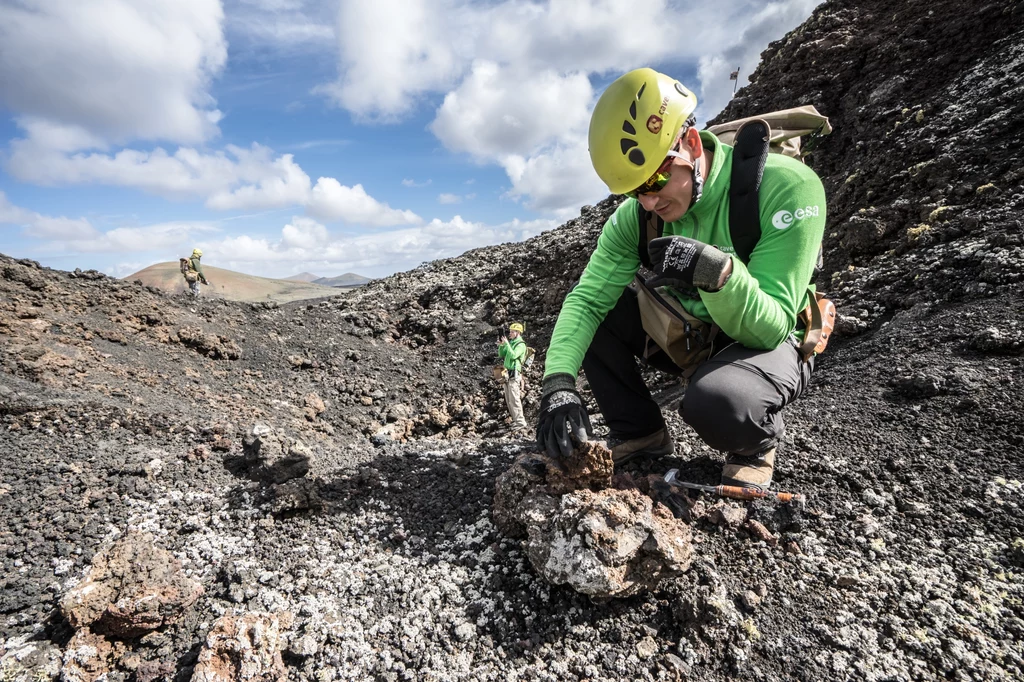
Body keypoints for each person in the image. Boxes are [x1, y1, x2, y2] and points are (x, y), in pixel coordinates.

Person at [535, 68, 826, 491]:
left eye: (656, 179)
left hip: (766, 338)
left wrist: (720, 273)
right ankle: (639, 433)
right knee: (601, 309)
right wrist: (558, 385)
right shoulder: (637, 218)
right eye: (636, 190)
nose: (650, 200)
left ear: (691, 144)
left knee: (717, 402)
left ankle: (755, 445)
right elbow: (586, 301)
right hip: (694, 331)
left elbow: (771, 328)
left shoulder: (787, 187)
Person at [497, 323, 529, 433]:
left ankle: (521, 422)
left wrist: (507, 344)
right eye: (510, 331)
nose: (509, 333)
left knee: (515, 399)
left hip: (514, 375)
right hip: (507, 374)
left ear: (518, 333)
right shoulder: (511, 343)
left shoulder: (521, 345)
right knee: (509, 399)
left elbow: (514, 355)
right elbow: (502, 354)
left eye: (512, 332)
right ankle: (516, 421)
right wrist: (502, 345)